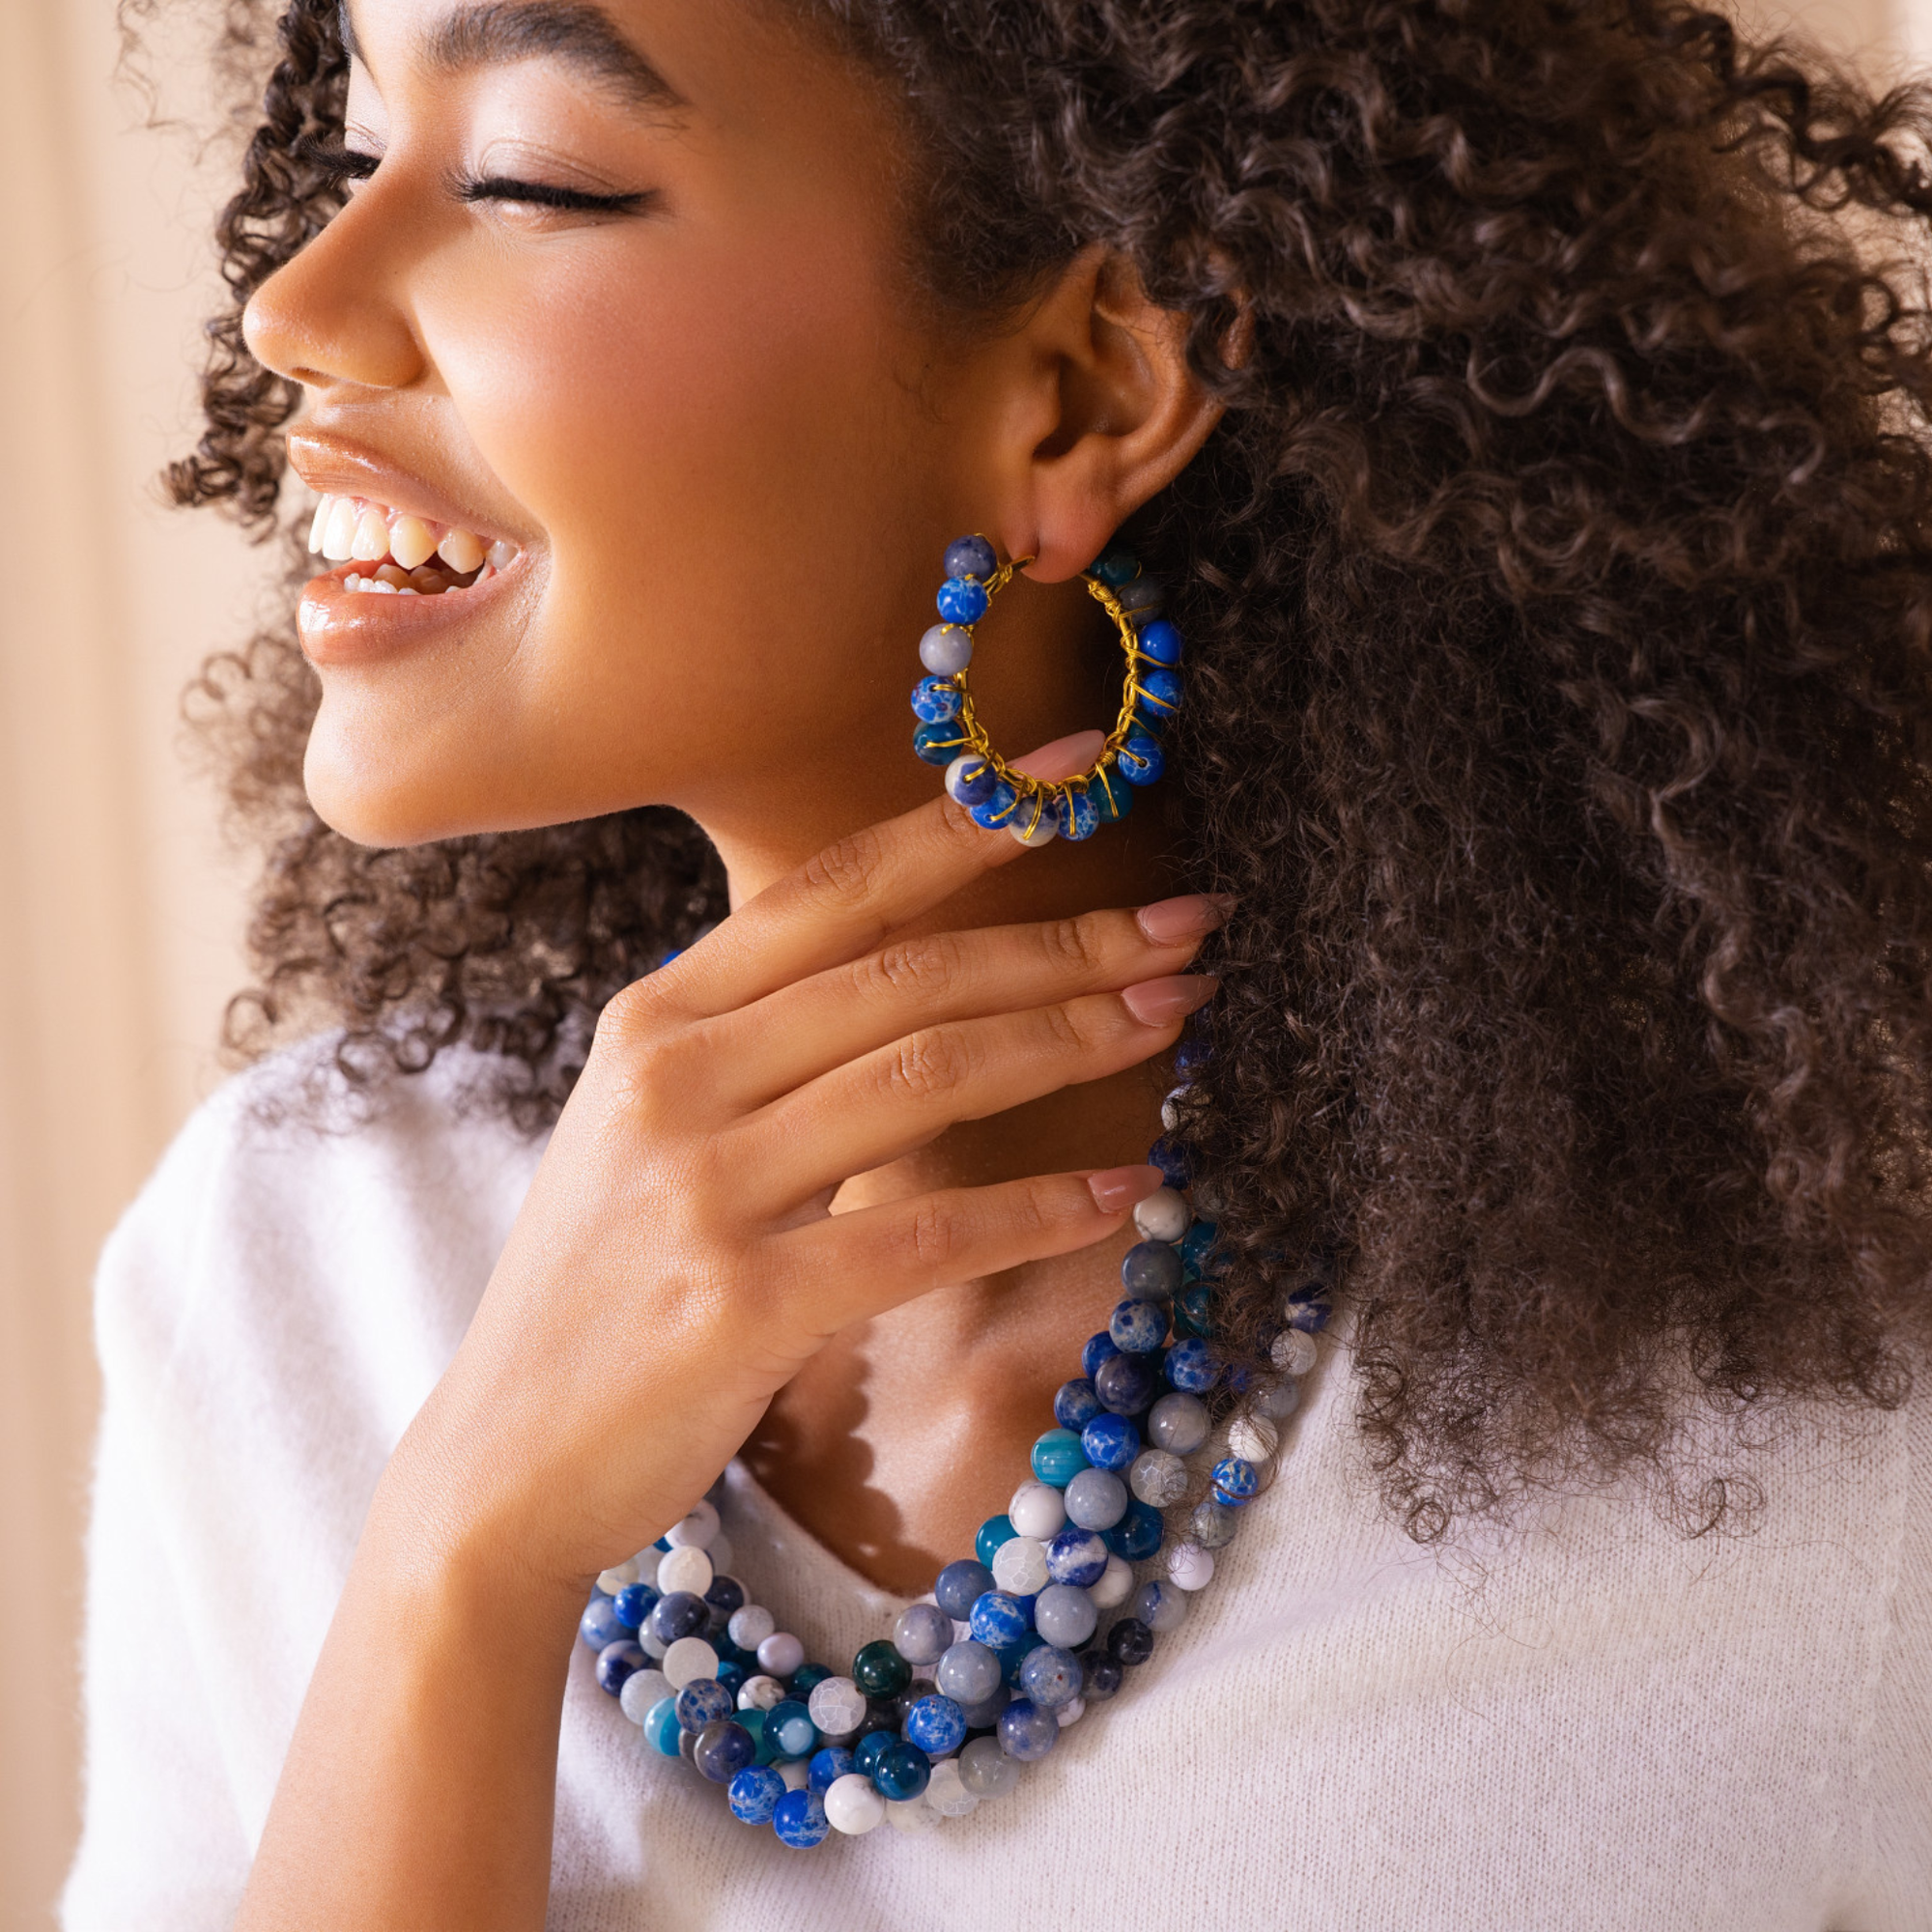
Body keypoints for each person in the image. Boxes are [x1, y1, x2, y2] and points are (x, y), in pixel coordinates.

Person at [61, 0, 1932, 1925]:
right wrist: (462, 1555)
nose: (299, 299)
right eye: (356, 147)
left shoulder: (1813, 1433)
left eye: (534, 176)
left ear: (1082, 393)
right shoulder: (297, 1257)